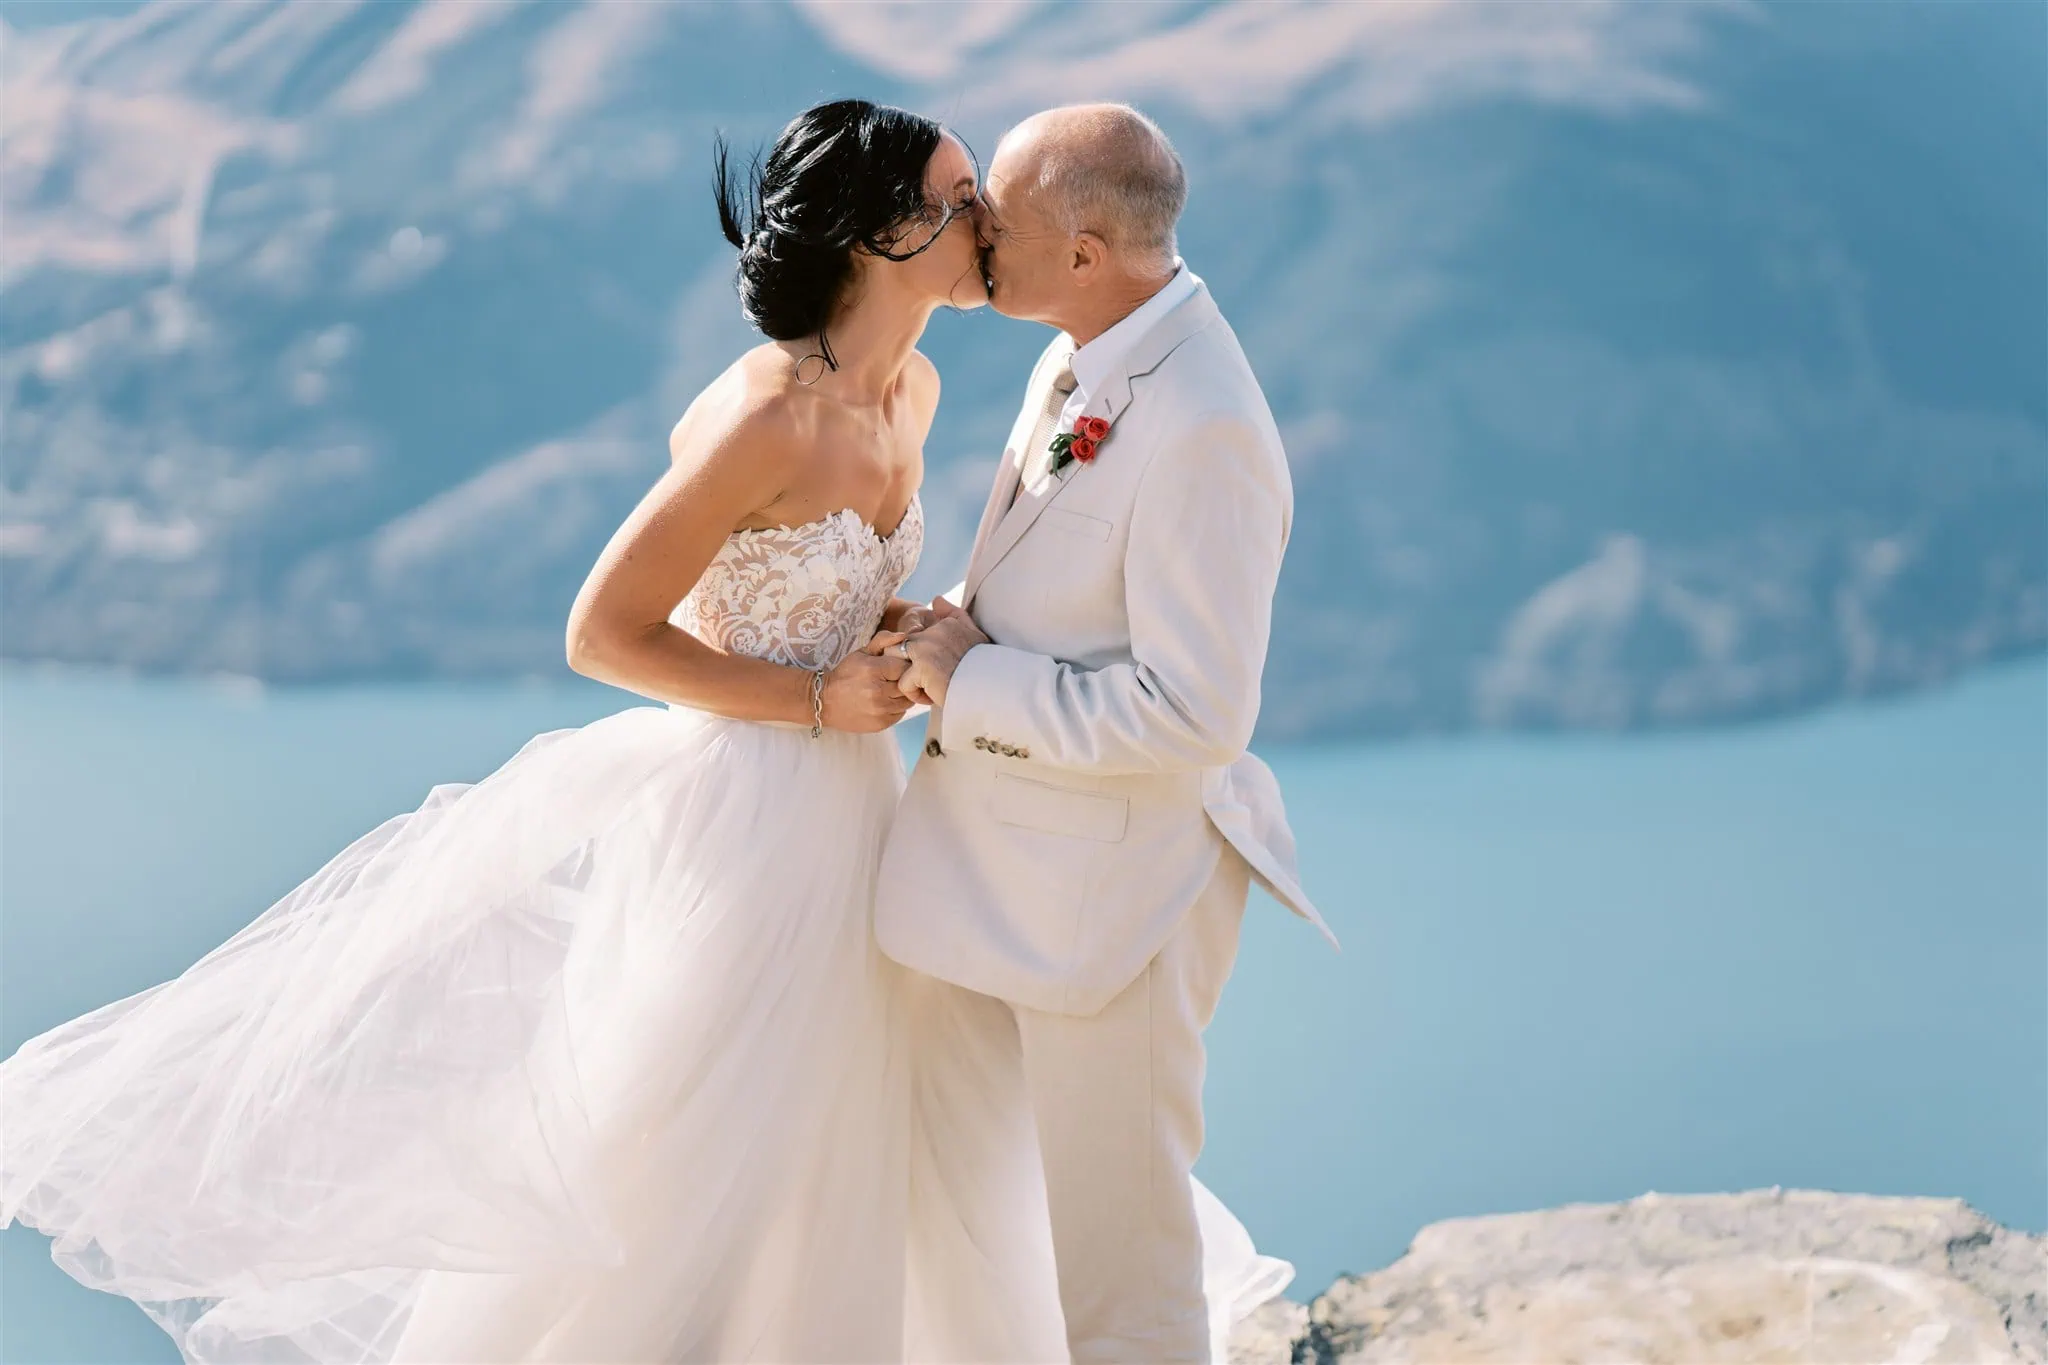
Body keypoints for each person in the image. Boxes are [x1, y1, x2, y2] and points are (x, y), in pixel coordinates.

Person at [0, 99, 1286, 1364]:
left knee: (851, 1140)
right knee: (700, 1154)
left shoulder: (936, 388)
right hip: (751, 822)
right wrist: (818, 697)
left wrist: (911, 630)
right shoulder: (771, 416)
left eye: (982, 204)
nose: (983, 226)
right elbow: (602, 634)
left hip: (876, 824)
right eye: (961, 204)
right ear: (876, 238)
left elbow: (1058, 636)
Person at [877, 104, 1338, 1364]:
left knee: (1123, 1273)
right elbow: (1061, 588)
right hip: (1008, 874)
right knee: (972, 1216)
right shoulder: (1081, 352)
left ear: (1083, 253)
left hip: (1119, 909)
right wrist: (951, 625)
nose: (973, 234)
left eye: (997, 219)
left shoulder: (1204, 423)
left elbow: (1195, 715)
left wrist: (973, 685)